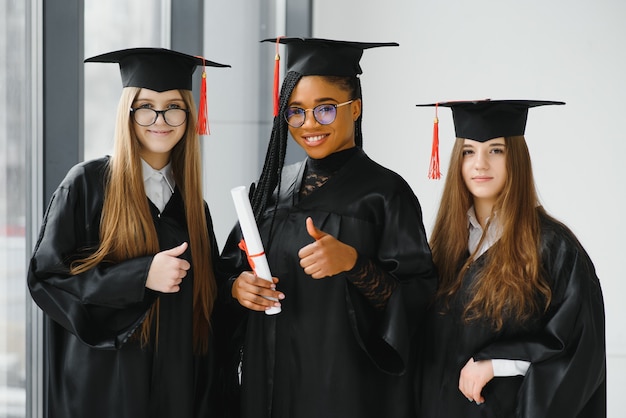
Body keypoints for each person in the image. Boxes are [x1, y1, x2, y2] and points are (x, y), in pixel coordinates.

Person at [219, 37, 438, 418]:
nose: (308, 125)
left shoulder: (385, 194)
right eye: (296, 112)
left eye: (324, 110)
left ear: (355, 108)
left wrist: (354, 264)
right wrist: (238, 288)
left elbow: (419, 302)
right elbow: (224, 275)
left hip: (345, 393)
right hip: (266, 388)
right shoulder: (271, 189)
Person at [27, 47, 230, 418]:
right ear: (128, 113)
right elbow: (47, 279)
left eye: (174, 106)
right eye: (146, 106)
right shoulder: (86, 185)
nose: (160, 118)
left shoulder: (194, 208)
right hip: (105, 390)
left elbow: (211, 308)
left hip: (178, 392)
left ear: (189, 115)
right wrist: (140, 276)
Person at [415, 99, 606, 417]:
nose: (480, 164)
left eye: (495, 150)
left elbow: (579, 347)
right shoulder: (444, 249)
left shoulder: (553, 248)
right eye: (469, 151)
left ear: (516, 158)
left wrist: (498, 363)